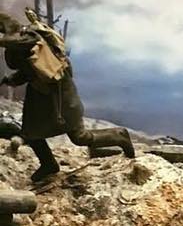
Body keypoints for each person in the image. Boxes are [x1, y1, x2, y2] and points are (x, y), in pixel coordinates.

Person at [0, 9, 134, 182]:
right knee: (31, 133)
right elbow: (30, 70)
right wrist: (11, 80)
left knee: (79, 137)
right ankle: (48, 164)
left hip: (59, 96)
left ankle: (119, 136)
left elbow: (18, 48)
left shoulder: (28, 38)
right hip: (41, 95)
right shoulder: (24, 41)